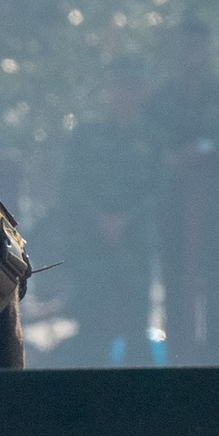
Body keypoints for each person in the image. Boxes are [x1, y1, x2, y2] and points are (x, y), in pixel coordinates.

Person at [140, 15, 219, 365]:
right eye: (184, 44)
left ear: (208, 49)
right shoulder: (161, 97)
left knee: (216, 282)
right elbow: (147, 139)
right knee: (175, 282)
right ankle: (178, 356)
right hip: (172, 204)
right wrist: (169, 156)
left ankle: (216, 358)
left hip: (214, 203)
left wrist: (207, 148)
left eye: (197, 45)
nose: (190, 52)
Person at [60, 53, 154, 364]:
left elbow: (159, 190)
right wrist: (98, 219)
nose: (127, 92)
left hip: (135, 246)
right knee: (91, 331)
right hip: (91, 248)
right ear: (110, 89)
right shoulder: (87, 137)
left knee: (136, 330)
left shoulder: (154, 140)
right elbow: (71, 185)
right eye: (121, 85)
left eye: (134, 85)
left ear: (143, 91)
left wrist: (127, 220)